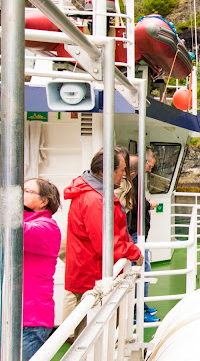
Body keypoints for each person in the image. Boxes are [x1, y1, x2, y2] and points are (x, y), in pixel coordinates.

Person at [64, 148, 143, 336]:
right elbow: (106, 242)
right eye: (121, 170)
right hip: (92, 272)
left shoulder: (92, 193)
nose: (124, 174)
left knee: (92, 330)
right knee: (94, 333)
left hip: (88, 268)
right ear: (105, 172)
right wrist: (134, 253)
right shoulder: (95, 200)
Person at [23, 178, 62, 360]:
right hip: (19, 316)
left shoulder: (47, 228)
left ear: (44, 201)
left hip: (31, 319)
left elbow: (19, 231)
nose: (20, 194)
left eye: (27, 191)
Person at [127, 149, 159, 322]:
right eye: (150, 166)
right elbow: (137, 204)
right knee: (142, 270)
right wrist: (149, 205)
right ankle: (137, 311)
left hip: (137, 232)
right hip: (135, 234)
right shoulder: (133, 182)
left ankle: (141, 306)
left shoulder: (134, 181)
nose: (150, 170)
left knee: (143, 270)